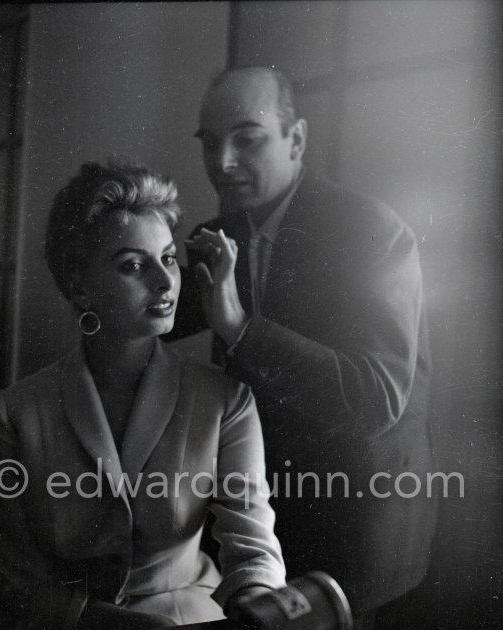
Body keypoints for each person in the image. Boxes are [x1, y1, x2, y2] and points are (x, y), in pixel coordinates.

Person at [168, 66, 437, 621]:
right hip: (256, 522)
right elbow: (156, 312)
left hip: (355, 523)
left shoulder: (372, 230)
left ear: (297, 139)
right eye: (211, 142)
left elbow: (377, 397)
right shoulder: (225, 232)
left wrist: (239, 326)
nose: (223, 163)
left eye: (248, 138)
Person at [0, 162, 285, 629]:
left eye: (167, 258)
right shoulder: (16, 413)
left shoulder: (227, 401)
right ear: (80, 286)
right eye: (134, 266)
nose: (165, 283)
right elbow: (20, 580)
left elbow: (254, 549)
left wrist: (260, 608)